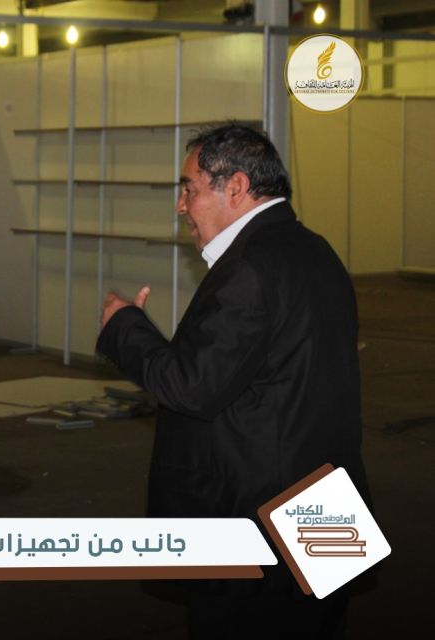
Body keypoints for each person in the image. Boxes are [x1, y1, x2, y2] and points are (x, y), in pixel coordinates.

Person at [96, 124, 370, 638]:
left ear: (237, 187)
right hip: (324, 500)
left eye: (190, 189)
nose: (181, 206)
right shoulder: (315, 251)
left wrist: (124, 329)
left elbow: (192, 387)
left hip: (259, 514)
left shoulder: (249, 267)